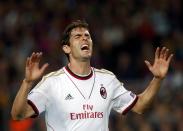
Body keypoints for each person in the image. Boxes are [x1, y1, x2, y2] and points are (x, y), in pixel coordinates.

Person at [11, 20, 173, 131]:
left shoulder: (107, 80)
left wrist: (158, 79)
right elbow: (18, 114)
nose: (85, 39)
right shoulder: (52, 83)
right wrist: (27, 82)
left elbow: (140, 106)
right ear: (66, 48)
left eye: (87, 36)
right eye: (78, 36)